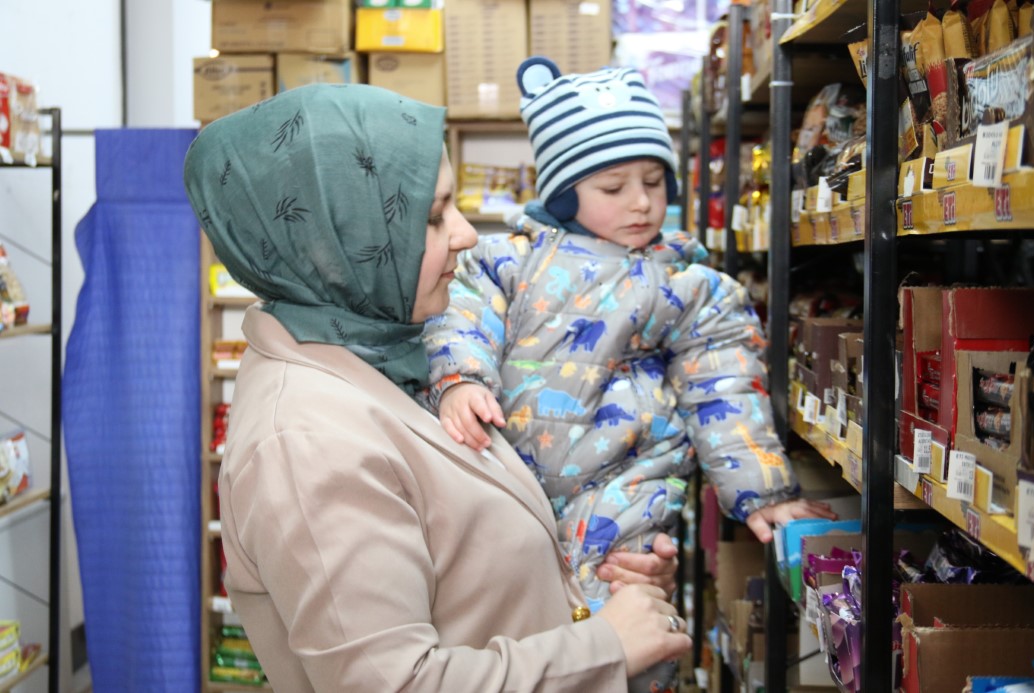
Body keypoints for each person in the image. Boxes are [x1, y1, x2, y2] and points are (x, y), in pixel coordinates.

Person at [183, 83, 692, 692]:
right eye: (431, 216)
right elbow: (395, 684)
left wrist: (600, 590)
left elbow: (471, 570)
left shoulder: (394, 350)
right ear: (335, 240)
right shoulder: (306, 443)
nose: (467, 234)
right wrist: (605, 645)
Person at [424, 56, 835, 620]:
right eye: (613, 187)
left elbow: (725, 387)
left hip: (627, 486)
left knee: (625, 624)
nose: (641, 202)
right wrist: (458, 380)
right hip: (506, 476)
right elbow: (459, 316)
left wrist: (764, 490)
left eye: (653, 182)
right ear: (564, 194)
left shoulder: (686, 283)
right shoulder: (507, 262)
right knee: (511, 621)